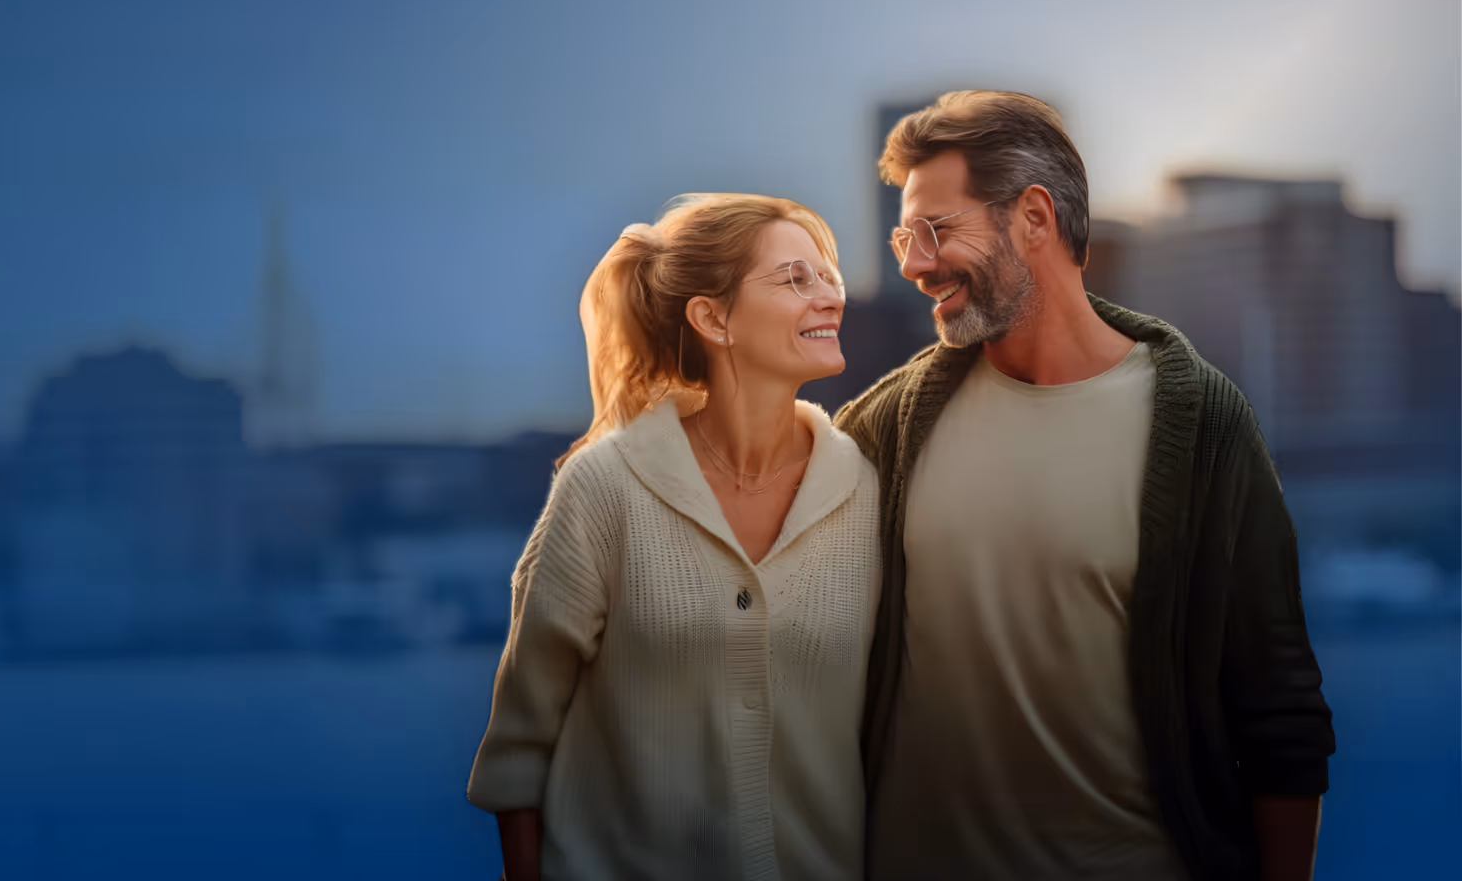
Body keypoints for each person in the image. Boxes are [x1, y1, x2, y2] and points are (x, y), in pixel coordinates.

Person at [836, 91, 1335, 881]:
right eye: (905, 235)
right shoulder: (883, 431)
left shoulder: (1205, 427)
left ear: (1033, 218)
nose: (913, 264)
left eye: (936, 230)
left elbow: (1279, 715)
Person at [467, 193, 882, 880]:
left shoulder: (864, 492)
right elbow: (519, 751)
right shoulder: (605, 488)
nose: (830, 298)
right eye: (795, 279)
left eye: (827, 275)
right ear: (712, 317)